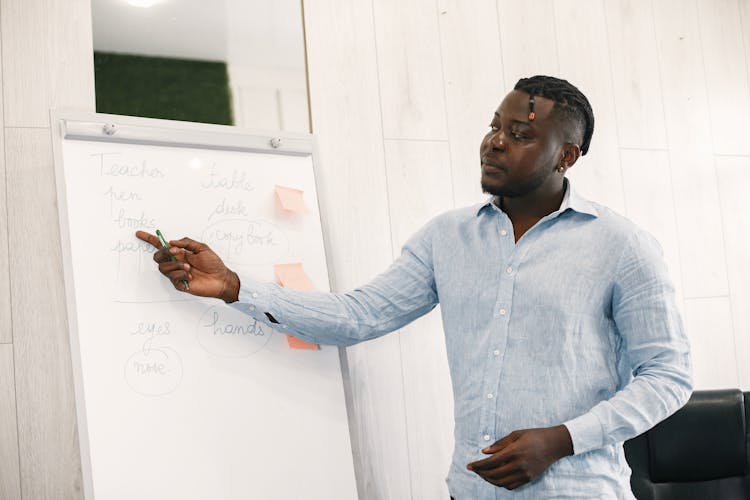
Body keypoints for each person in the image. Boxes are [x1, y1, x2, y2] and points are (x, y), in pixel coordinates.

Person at [136, 75, 692, 499]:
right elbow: (357, 316)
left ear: (567, 156)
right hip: (469, 489)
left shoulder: (622, 245)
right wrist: (235, 286)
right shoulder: (447, 237)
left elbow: (669, 377)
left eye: (520, 133)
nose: (495, 142)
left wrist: (561, 439)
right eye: (493, 126)